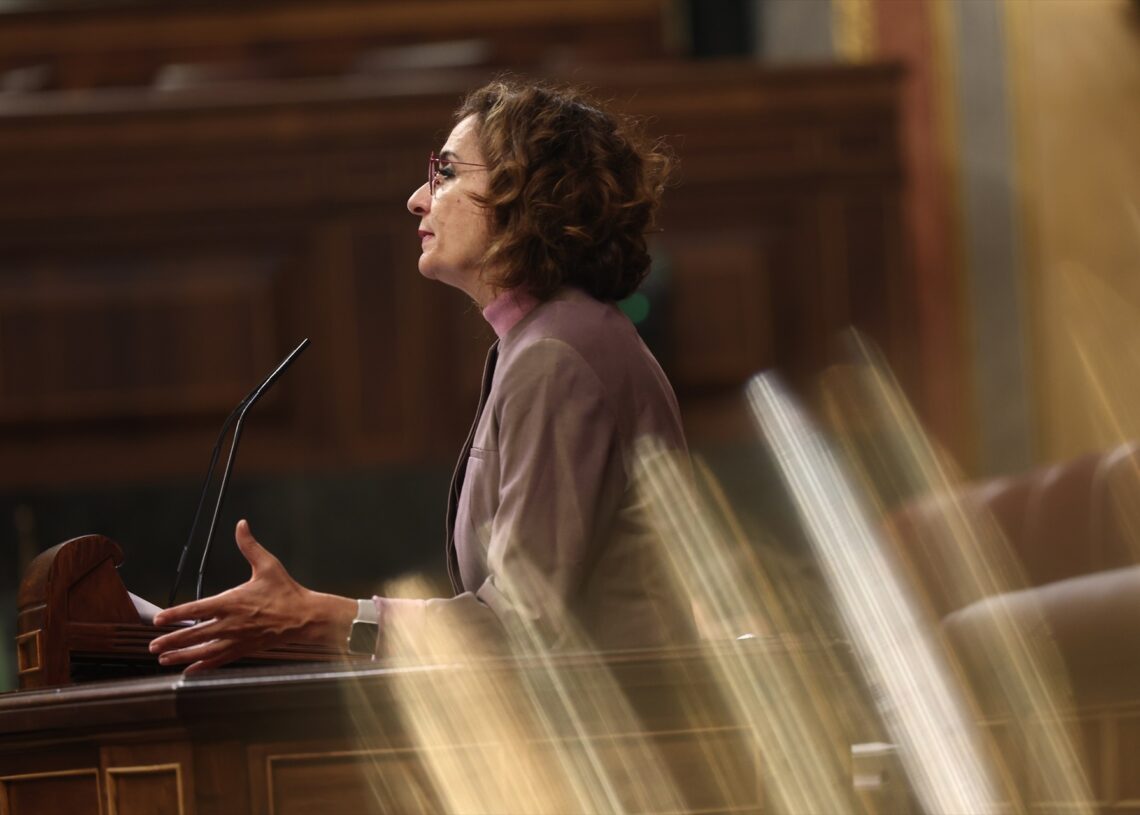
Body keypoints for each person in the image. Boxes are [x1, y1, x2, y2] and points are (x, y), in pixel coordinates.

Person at [149, 78, 692, 672]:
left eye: (447, 173)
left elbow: (523, 626)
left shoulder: (557, 354)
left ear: (527, 195)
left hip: (628, 726)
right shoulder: (549, 338)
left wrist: (326, 619)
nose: (416, 199)